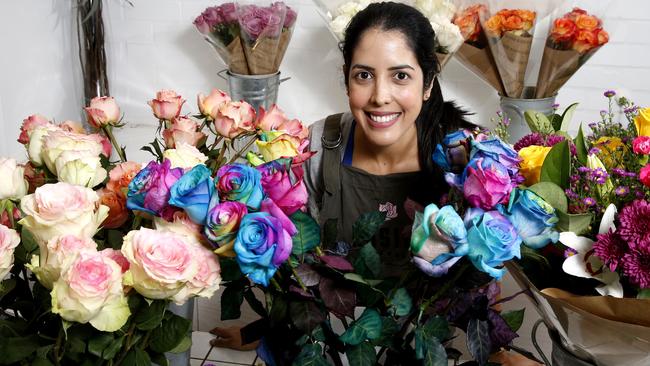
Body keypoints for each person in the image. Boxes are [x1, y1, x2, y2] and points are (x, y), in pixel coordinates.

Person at [211, 3, 540, 365]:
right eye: (364, 75)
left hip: (426, 350)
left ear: (428, 83)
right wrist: (259, 332)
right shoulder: (321, 144)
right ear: (346, 76)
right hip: (338, 347)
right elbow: (295, 265)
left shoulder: (466, 157)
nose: (380, 96)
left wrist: (501, 351)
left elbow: (478, 277)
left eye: (400, 76)